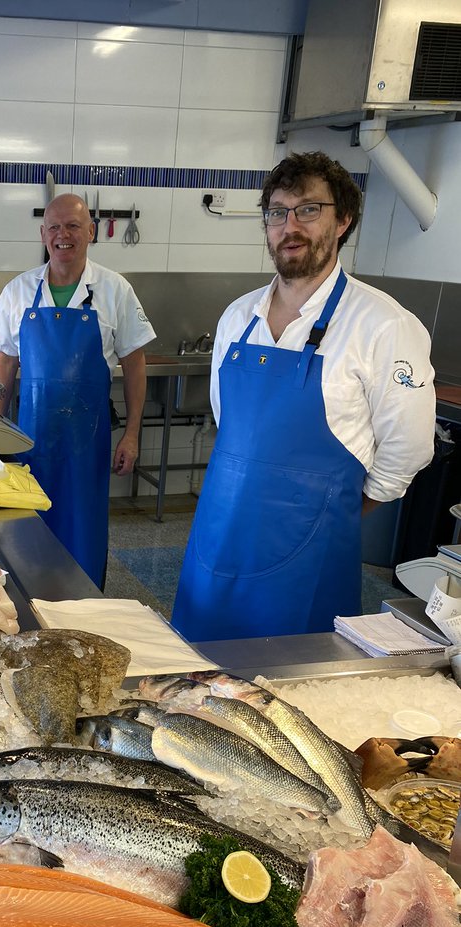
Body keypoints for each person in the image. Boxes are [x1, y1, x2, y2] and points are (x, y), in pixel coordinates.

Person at [172, 151, 436, 642]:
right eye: (278, 212)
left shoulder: (383, 325)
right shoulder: (237, 318)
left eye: (309, 210)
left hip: (310, 555)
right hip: (218, 537)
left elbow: (409, 448)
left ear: (344, 222)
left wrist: (336, 512)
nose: (290, 226)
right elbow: (228, 421)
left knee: (288, 695)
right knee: (195, 680)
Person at [0, 193, 156, 587]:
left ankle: (86, 606)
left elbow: (134, 364)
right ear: (43, 235)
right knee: (29, 532)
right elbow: (5, 361)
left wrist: (131, 434)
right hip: (31, 441)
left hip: (88, 445)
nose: (64, 235)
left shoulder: (116, 290)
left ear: (91, 232)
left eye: (74, 226)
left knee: (84, 530)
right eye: (55, 227)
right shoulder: (18, 291)